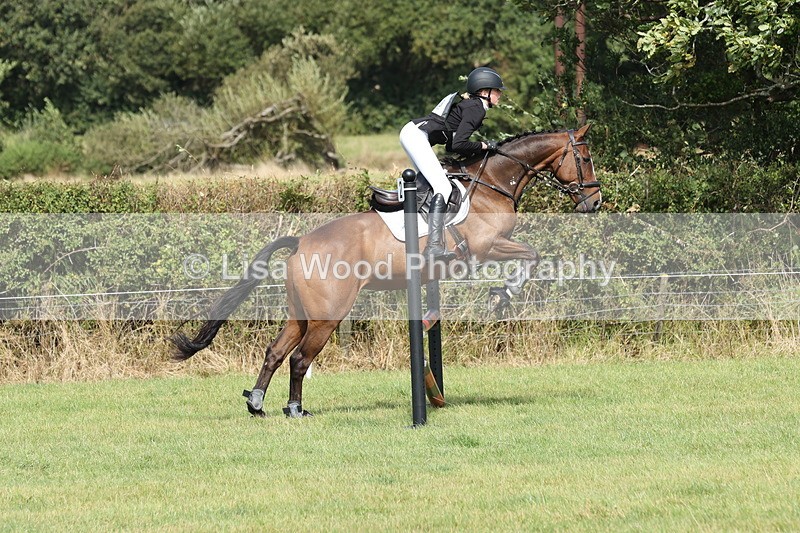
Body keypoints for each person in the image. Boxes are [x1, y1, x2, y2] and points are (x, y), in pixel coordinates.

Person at [399, 67, 505, 261]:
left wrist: (478, 148)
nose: (500, 94)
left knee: (429, 183)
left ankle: (415, 227)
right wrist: (483, 145)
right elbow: (458, 144)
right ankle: (433, 246)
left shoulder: (473, 106)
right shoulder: (476, 109)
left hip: (412, 133)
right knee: (442, 187)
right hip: (416, 136)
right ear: (484, 92)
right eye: (496, 90)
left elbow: (451, 145)